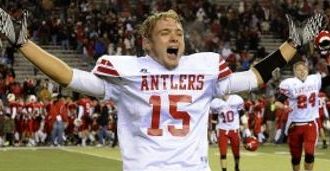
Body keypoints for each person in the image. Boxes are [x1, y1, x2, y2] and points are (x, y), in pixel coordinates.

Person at [0, 8, 327, 171]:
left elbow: (253, 78)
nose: (175, 37)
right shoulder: (128, 72)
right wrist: (23, 44)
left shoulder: (203, 67)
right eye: (165, 32)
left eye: (179, 32)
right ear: (146, 43)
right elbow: (71, 77)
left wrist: (293, 44)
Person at [275, 60, 330, 171]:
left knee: (309, 153)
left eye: (304, 69)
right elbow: (277, 102)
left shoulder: (315, 80)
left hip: (310, 122)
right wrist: (285, 107)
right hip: (294, 124)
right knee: (296, 157)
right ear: (294, 72)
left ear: (308, 70)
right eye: (299, 69)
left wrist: (327, 58)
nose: (302, 71)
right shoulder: (289, 84)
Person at [210, 94, 245, 171]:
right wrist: (212, 130)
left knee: (236, 152)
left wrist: (246, 128)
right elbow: (214, 118)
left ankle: (236, 167)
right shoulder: (216, 102)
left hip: (234, 130)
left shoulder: (236, 99)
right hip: (222, 130)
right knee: (223, 152)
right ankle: (224, 169)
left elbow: (242, 114)